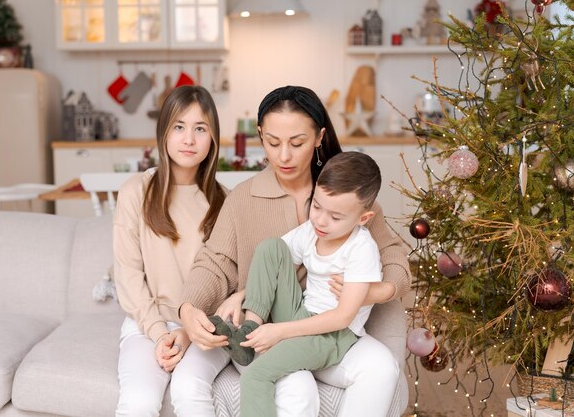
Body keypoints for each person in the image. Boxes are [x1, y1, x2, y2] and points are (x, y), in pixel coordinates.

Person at [172, 85, 410, 417]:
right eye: (272, 142)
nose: (283, 156)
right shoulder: (243, 198)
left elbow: (395, 255)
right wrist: (188, 308)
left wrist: (377, 291)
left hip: (328, 327)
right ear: (260, 136)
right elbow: (215, 261)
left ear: (318, 137)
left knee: (382, 367)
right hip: (270, 328)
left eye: (296, 143)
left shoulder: (344, 197)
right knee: (295, 389)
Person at [210, 151, 384, 417]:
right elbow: (273, 263)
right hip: (302, 312)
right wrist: (241, 297)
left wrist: (280, 331)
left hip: (331, 335)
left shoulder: (361, 250)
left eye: (336, 217)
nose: (321, 221)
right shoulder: (312, 231)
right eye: (316, 206)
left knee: (256, 375)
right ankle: (250, 327)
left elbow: (341, 317)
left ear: (363, 218)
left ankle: (257, 343)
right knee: (271, 247)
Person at [113, 85, 226, 416]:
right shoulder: (136, 192)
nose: (189, 139)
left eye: (200, 128)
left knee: (189, 394)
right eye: (179, 127)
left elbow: (227, 284)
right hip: (147, 325)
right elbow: (128, 273)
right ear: (163, 132)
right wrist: (160, 333)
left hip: (206, 329)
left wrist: (190, 333)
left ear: (213, 139)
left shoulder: (225, 201)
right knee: (138, 403)